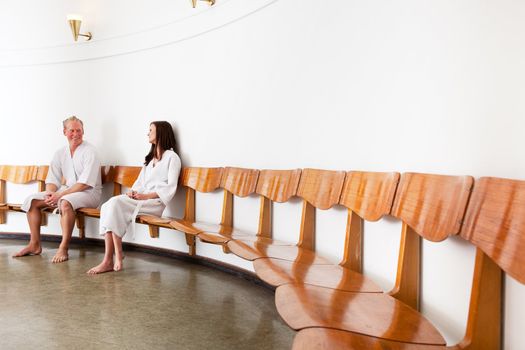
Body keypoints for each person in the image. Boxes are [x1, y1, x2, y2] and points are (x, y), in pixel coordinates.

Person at [87, 121, 181, 274]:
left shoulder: (172, 158)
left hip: (154, 203)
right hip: (141, 199)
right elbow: (139, 183)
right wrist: (132, 192)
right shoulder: (150, 159)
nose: (148, 133)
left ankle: (110, 259)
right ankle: (115, 255)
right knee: (107, 205)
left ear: (161, 133)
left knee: (115, 203)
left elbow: (170, 187)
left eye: (151, 130)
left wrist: (145, 196)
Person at [13, 116, 102, 263]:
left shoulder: (90, 151)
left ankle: (63, 248)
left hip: (89, 193)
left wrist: (60, 195)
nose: (76, 134)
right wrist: (50, 193)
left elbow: (85, 183)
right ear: (64, 132)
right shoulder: (60, 153)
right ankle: (34, 244)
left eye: (79, 130)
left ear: (83, 131)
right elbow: (53, 179)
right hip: (67, 191)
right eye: (72, 130)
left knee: (65, 202)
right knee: (32, 200)